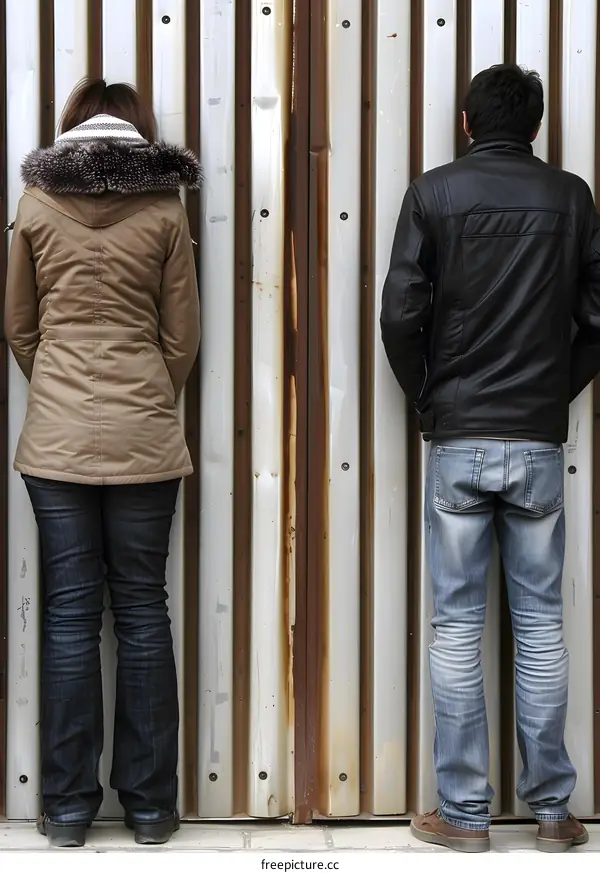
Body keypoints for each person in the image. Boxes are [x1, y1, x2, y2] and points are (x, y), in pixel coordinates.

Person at [381, 64, 600, 853]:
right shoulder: (570, 197)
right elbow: (599, 317)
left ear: (468, 123)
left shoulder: (434, 192)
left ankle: (465, 817)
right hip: (536, 440)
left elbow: (399, 312)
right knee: (542, 626)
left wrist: (431, 400)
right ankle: (552, 813)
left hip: (461, 442)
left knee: (455, 626)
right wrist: (552, 397)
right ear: (533, 126)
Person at [4, 78, 201, 848]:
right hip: (146, 435)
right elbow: (181, 336)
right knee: (144, 610)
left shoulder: (33, 204)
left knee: (70, 614)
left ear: (72, 132)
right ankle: (151, 809)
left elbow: (19, 326)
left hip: (54, 438)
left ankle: (68, 810)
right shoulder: (163, 209)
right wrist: (149, 392)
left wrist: (56, 387)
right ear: (138, 132)